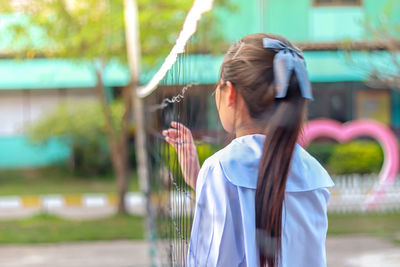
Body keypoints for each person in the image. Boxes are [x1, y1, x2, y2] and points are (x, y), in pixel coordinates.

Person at [162, 33, 334, 267]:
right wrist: (200, 181)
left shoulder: (222, 168)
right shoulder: (314, 172)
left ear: (230, 92)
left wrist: (209, 178)